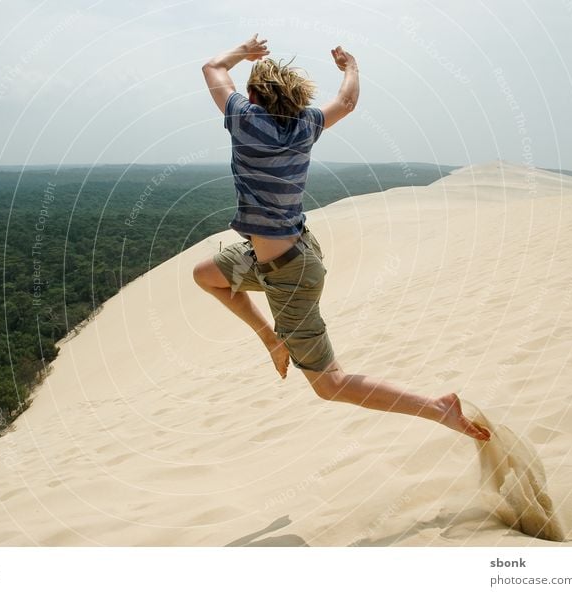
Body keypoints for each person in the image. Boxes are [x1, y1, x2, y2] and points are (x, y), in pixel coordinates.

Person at [193, 34, 490, 442]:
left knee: (329, 384)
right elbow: (347, 102)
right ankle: (271, 338)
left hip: (289, 275)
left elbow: (213, 68)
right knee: (206, 274)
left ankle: (437, 408)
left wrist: (245, 52)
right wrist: (350, 67)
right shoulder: (305, 125)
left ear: (251, 94)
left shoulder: (245, 120)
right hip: (291, 251)